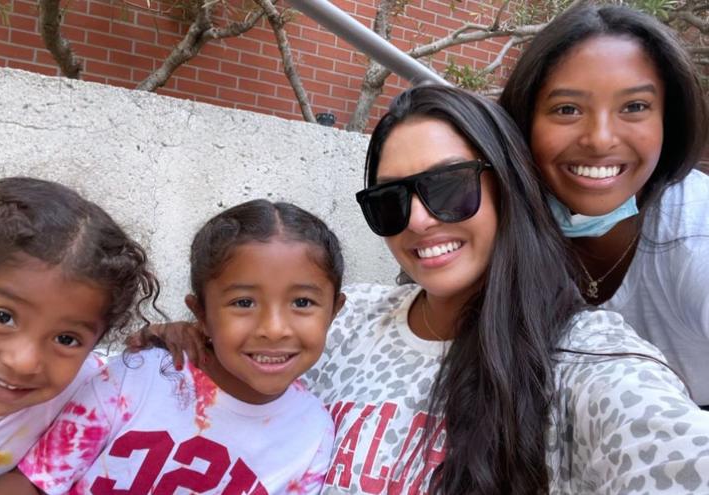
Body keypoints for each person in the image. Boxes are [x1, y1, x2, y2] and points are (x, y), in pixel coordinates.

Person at [304, 86, 709, 494]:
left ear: (507, 185)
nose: (418, 220)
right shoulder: (344, 317)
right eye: (390, 199)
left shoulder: (583, 356)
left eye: (448, 186)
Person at [0, 200, 346, 494]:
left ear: (334, 312)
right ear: (201, 314)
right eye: (243, 303)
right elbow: (30, 482)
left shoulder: (311, 433)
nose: (273, 329)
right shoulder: (140, 378)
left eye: (301, 303)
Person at [499, 4, 709, 408]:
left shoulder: (695, 231)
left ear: (670, 119)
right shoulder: (500, 221)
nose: (599, 139)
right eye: (567, 109)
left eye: (634, 107)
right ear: (524, 122)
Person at [0, 177, 159, 495]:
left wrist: (183, 335)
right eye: (3, 317)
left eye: (66, 339)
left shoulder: (86, 386)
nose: (24, 362)